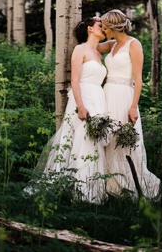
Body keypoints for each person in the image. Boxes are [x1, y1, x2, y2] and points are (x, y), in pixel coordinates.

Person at [29, 17, 110, 202]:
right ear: (90, 29)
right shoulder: (80, 49)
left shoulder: (98, 53)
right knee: (83, 138)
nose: (103, 28)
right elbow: (74, 80)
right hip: (83, 97)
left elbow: (118, 40)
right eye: (100, 25)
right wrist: (81, 107)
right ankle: (81, 192)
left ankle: (92, 187)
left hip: (98, 97)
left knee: (94, 141)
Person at [99, 9, 160, 199]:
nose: (102, 29)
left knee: (124, 139)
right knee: (107, 139)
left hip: (125, 95)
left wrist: (133, 106)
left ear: (111, 27)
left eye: (103, 26)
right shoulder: (112, 44)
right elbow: (92, 46)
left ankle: (132, 184)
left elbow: (139, 78)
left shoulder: (134, 45)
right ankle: (110, 185)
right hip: (107, 95)